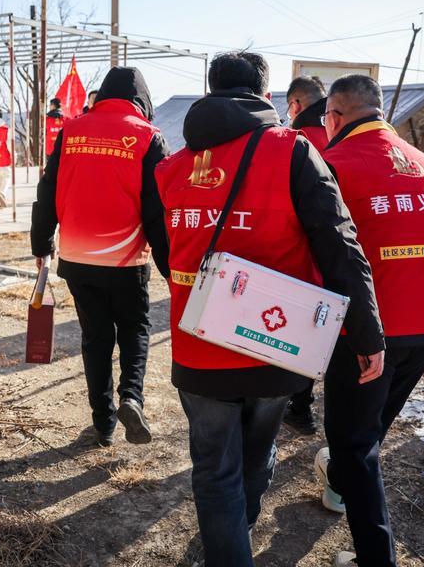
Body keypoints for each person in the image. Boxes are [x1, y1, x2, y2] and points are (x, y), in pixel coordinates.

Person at [154, 52, 385, 567]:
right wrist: (366, 333)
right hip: (275, 343)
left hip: (198, 341)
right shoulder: (293, 151)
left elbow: (163, 250)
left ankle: (228, 543)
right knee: (256, 456)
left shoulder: (171, 167)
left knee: (215, 472)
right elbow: (338, 243)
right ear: (266, 97)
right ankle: (240, 531)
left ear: (209, 92)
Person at [318, 74, 424, 567]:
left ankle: (375, 558)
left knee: (354, 442)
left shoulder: (332, 165)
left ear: (335, 117)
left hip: (372, 327)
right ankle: (339, 484)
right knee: (370, 425)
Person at [31, 67, 170, 447]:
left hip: (78, 259)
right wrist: (170, 267)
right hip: (127, 262)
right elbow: (157, 210)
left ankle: (103, 423)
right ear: (142, 99)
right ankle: (131, 397)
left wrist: (41, 244)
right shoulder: (148, 137)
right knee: (134, 329)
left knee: (95, 339)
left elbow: (47, 189)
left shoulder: (71, 131)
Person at [280, 74, 329, 434]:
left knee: (297, 331)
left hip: (300, 252)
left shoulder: (291, 142)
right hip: (346, 252)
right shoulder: (341, 135)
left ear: (296, 105)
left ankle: (299, 406)